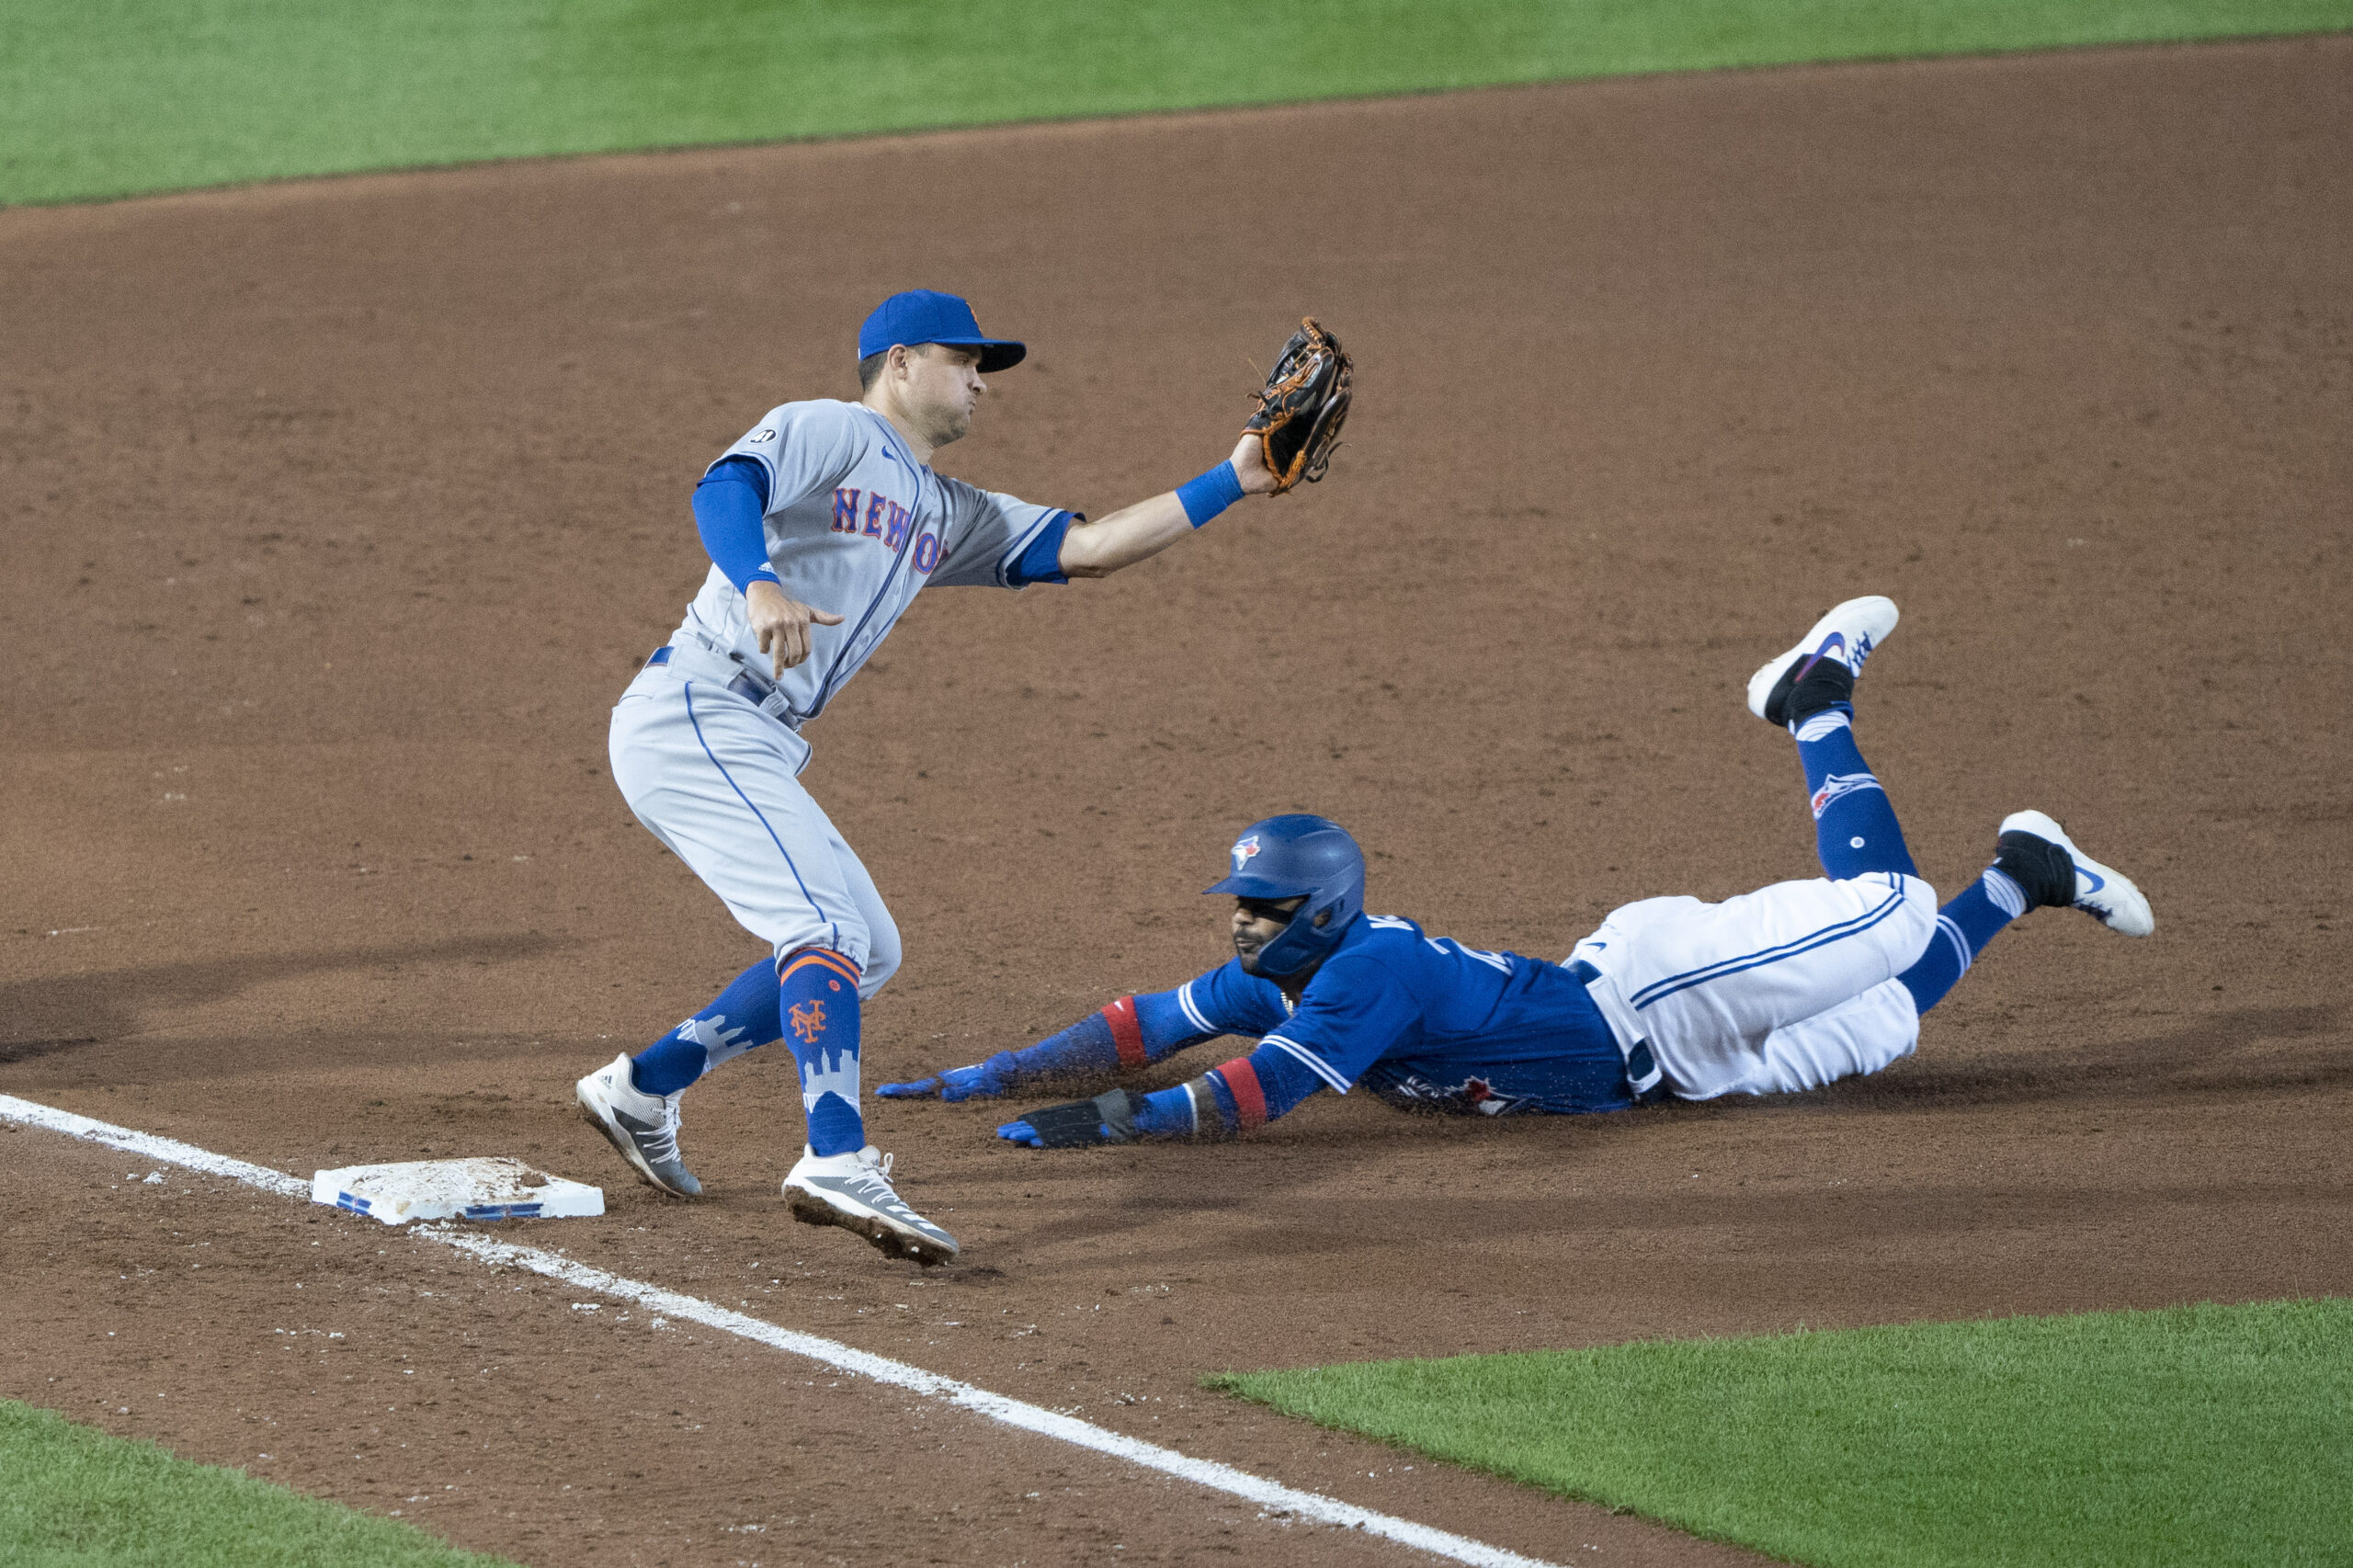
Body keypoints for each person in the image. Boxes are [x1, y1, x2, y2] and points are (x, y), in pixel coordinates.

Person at [876, 597, 2154, 1144]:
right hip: (1668, 1073)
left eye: (1262, 908)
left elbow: (1251, 1096)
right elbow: (1151, 1024)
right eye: (1241, 907)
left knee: (1888, 911)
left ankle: (1814, 700)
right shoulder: (1279, 978)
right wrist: (1002, 1071)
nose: (1243, 926)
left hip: (1657, 991)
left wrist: (1100, 1125)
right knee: (1882, 1021)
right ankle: (2025, 872)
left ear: (1320, 907)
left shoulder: (1363, 973)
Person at [575, 289, 1287, 1263]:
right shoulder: (834, 429)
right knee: (823, 929)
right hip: (698, 707)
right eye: (965, 360)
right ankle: (835, 1156)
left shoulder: (948, 511)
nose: (980, 382)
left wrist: (1233, 479)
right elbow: (726, 485)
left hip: (751, 732)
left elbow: (1088, 548)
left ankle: (644, 1086)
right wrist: (760, 580)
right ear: (901, 361)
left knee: (866, 949)